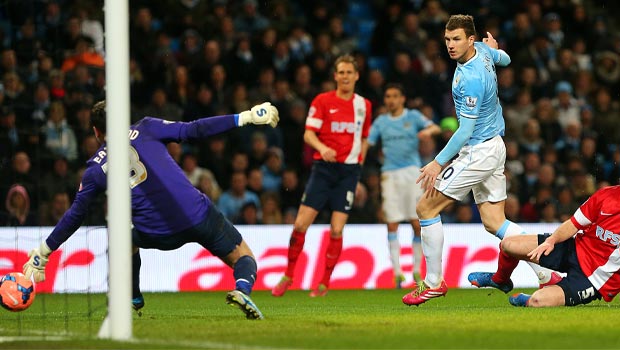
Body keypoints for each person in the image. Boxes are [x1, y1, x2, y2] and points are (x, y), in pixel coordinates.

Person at [22, 100, 279, 320]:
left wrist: (44, 252)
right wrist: (243, 117)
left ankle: (132, 296)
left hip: (157, 232)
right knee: (243, 256)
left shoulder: (94, 170)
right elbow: (195, 129)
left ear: (96, 132)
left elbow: (75, 215)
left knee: (124, 236)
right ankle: (242, 289)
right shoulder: (147, 128)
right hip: (196, 214)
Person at [403, 15, 559, 306]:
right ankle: (545, 273)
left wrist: (438, 162)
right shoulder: (484, 52)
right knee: (494, 221)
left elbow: (464, 131)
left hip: (478, 150)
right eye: (448, 39)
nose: (450, 45)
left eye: (457, 39)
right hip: (495, 144)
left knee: (425, 207)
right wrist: (493, 47)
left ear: (470, 40)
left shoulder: (470, 79)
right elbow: (507, 60)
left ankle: (434, 282)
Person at [271, 54, 372, 297]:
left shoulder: (364, 105)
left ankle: (324, 282)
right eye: (341, 72)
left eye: (350, 72)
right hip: (324, 170)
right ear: (335, 76)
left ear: (357, 76)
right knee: (300, 224)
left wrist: (358, 167)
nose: (345, 76)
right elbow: (308, 134)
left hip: (348, 173)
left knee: (337, 230)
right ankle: (289, 274)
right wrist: (321, 148)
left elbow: (365, 138)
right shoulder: (322, 101)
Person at [470, 185, 620, 307]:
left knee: (537, 301)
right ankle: (500, 280)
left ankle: (539, 291)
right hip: (574, 249)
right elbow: (573, 224)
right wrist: (551, 240)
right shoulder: (606, 196)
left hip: (595, 280)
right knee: (508, 244)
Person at [367, 83, 440, 288]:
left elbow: (434, 127)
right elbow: (368, 142)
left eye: (394, 96)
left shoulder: (413, 117)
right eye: (388, 96)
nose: (391, 100)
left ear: (402, 99)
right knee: (392, 222)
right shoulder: (381, 122)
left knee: (416, 223)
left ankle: (416, 270)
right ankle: (397, 273)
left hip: (412, 173)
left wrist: (428, 133)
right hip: (389, 174)